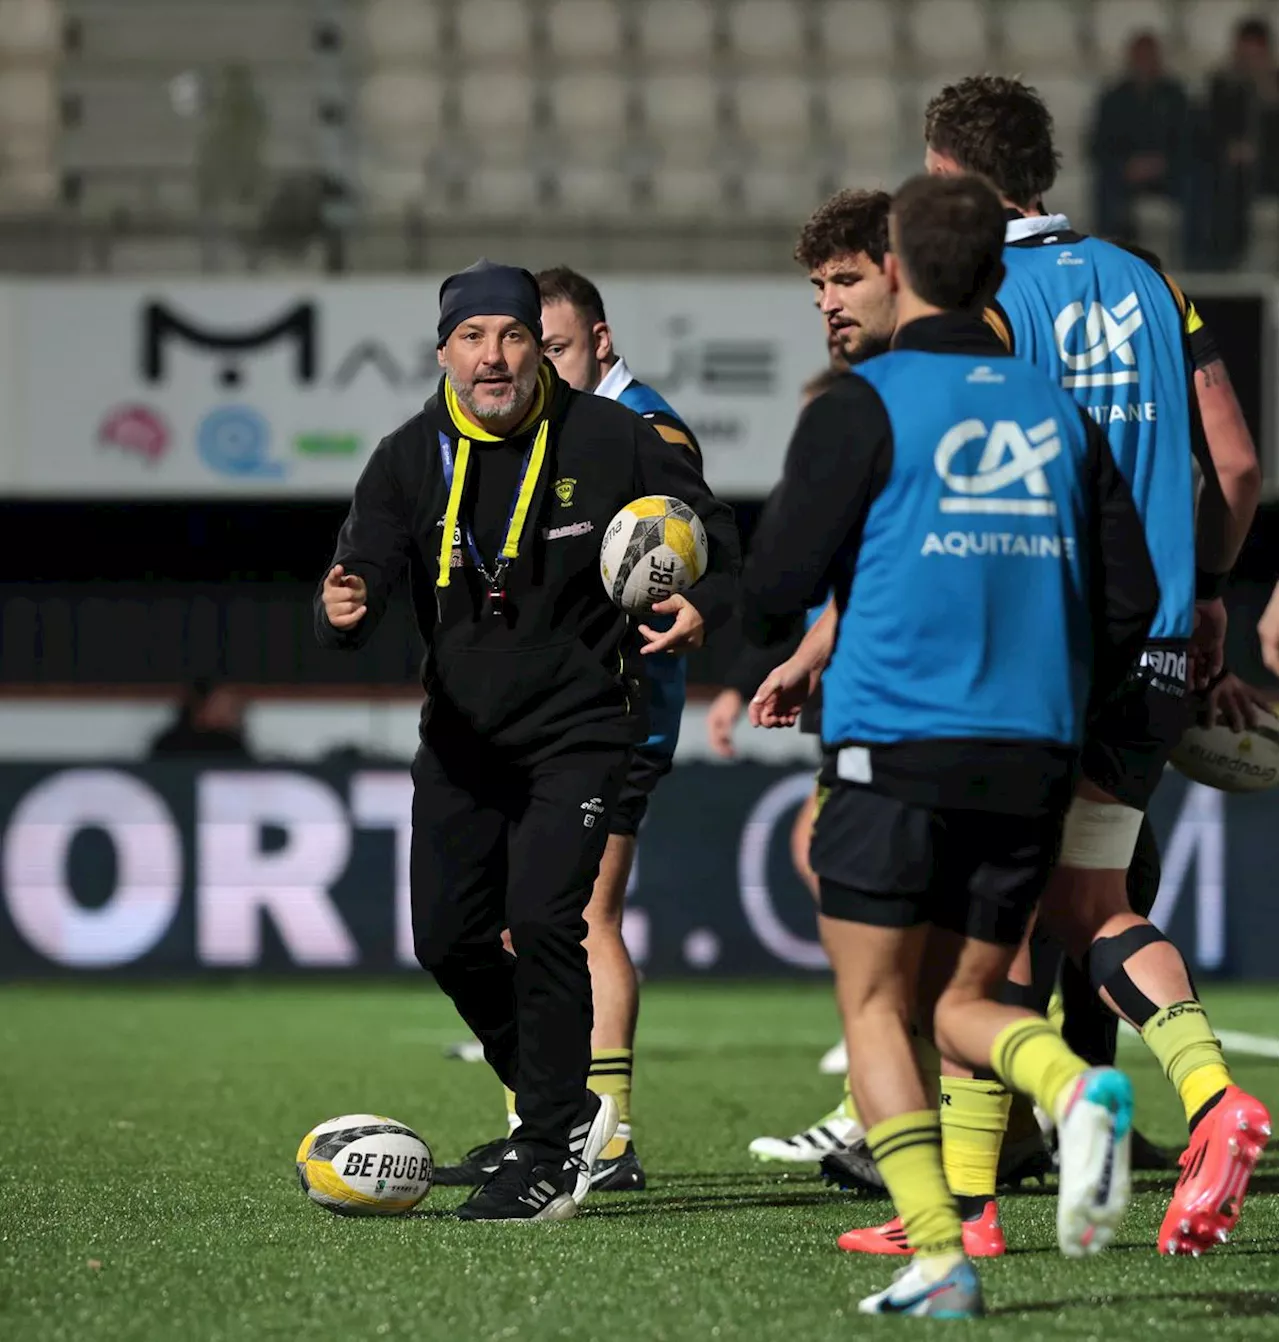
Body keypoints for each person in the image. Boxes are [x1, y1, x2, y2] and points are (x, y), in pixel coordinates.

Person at [743, 172, 1156, 1318]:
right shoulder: (1054, 412)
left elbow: (774, 580)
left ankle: (938, 1258)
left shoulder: (859, 404)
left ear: (893, 270)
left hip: (893, 749)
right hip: (1029, 752)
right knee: (968, 998)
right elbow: (1130, 600)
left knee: (877, 1009)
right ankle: (1075, 1091)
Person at [924, 74, 1270, 1257]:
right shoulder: (1148, 280)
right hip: (1162, 639)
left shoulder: (983, 296)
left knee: (996, 916)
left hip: (1035, 644)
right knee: (1086, 902)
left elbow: (973, 479)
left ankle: (969, 1213)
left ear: (947, 178)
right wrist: (1209, 592)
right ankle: (1211, 1106)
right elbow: (1233, 469)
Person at [316, 258, 739, 1222]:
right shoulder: (405, 455)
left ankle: (548, 1152)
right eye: (473, 338)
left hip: (583, 728)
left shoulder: (614, 437)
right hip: (462, 738)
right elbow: (364, 566)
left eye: (512, 336)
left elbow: (714, 530)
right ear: (445, 352)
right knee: (449, 939)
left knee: (550, 920)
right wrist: (344, 606)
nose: (495, 357)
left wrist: (702, 602)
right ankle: (568, 1107)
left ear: (537, 344)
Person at [432, 264, 707, 1193]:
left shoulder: (644, 430)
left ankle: (606, 1135)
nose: (532, 364)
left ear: (600, 339)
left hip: (621, 713)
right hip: (553, 719)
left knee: (584, 917)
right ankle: (541, 1121)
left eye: (551, 347)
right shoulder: (553, 442)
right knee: (532, 919)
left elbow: (688, 546)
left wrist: (700, 600)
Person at [1088, 31, 1190, 247]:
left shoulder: (1175, 95)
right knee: (1106, 184)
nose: (1144, 64)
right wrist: (1126, 166)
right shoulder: (1114, 98)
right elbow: (1098, 146)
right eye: (1139, 58)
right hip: (1125, 172)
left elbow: (1188, 139)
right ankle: (1114, 254)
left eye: (1149, 57)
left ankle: (1200, 258)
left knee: (1198, 182)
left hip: (1170, 172)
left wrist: (1163, 163)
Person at [148, 678, 252, 759]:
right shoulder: (169, 744)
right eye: (229, 705)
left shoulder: (233, 745)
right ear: (201, 705)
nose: (236, 712)